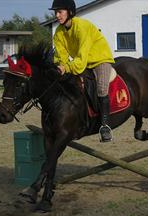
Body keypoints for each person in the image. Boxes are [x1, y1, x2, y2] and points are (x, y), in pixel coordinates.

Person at [49, 0, 115, 142]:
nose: (57, 15)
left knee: (102, 89)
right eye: (56, 12)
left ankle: (105, 126)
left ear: (70, 12)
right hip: (83, 62)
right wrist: (60, 66)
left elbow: (80, 60)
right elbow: (61, 56)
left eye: (60, 11)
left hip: (100, 59)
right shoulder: (59, 32)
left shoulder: (82, 27)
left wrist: (66, 67)